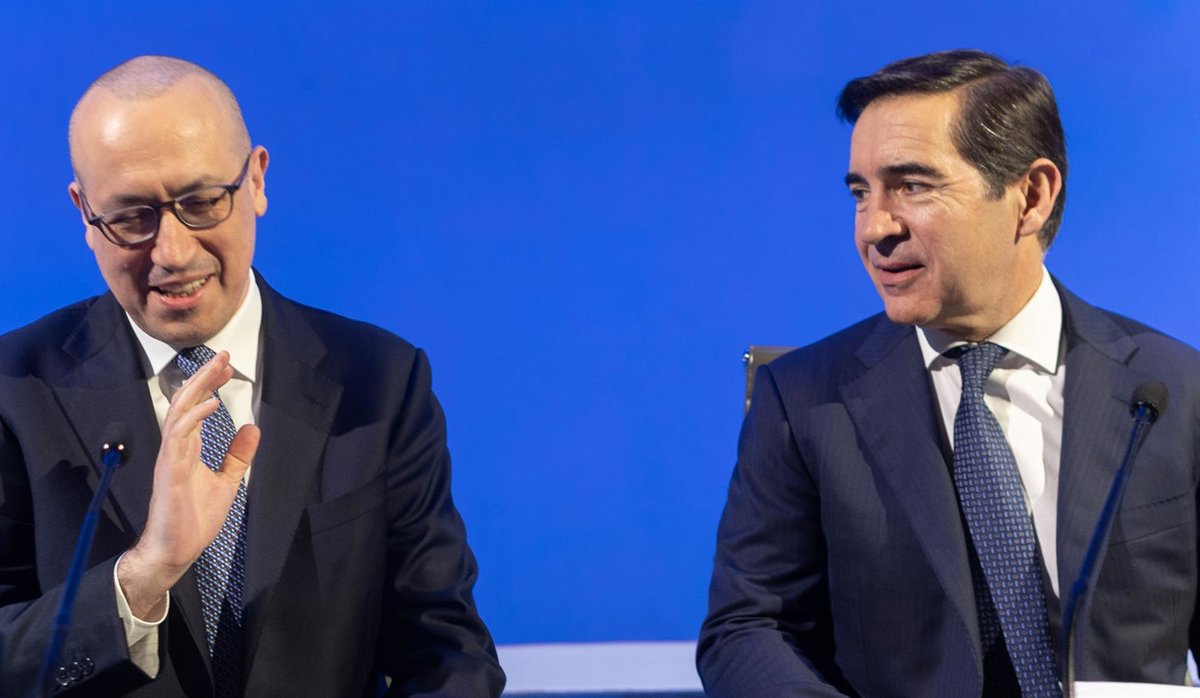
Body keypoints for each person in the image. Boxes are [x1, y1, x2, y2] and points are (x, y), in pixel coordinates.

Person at [698, 49, 1200, 697]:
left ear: (1031, 196)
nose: (875, 228)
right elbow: (747, 629)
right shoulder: (804, 401)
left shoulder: (1173, 391)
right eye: (861, 193)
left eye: (912, 186)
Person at [0, 56, 505, 696]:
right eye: (131, 218)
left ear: (257, 180)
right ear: (84, 213)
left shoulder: (379, 383)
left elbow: (445, 650)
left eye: (202, 202)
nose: (173, 252)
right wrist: (142, 577)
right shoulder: (14, 391)